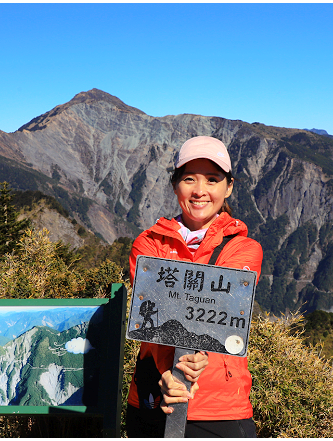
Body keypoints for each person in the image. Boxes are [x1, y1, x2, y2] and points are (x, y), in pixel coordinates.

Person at [126, 136, 263, 437]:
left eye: (212, 180)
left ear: (228, 187)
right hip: (153, 399)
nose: (200, 191)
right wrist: (168, 374)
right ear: (175, 185)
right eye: (189, 179)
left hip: (220, 409)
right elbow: (154, 319)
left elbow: (223, 318)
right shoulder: (147, 245)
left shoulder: (244, 249)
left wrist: (193, 362)